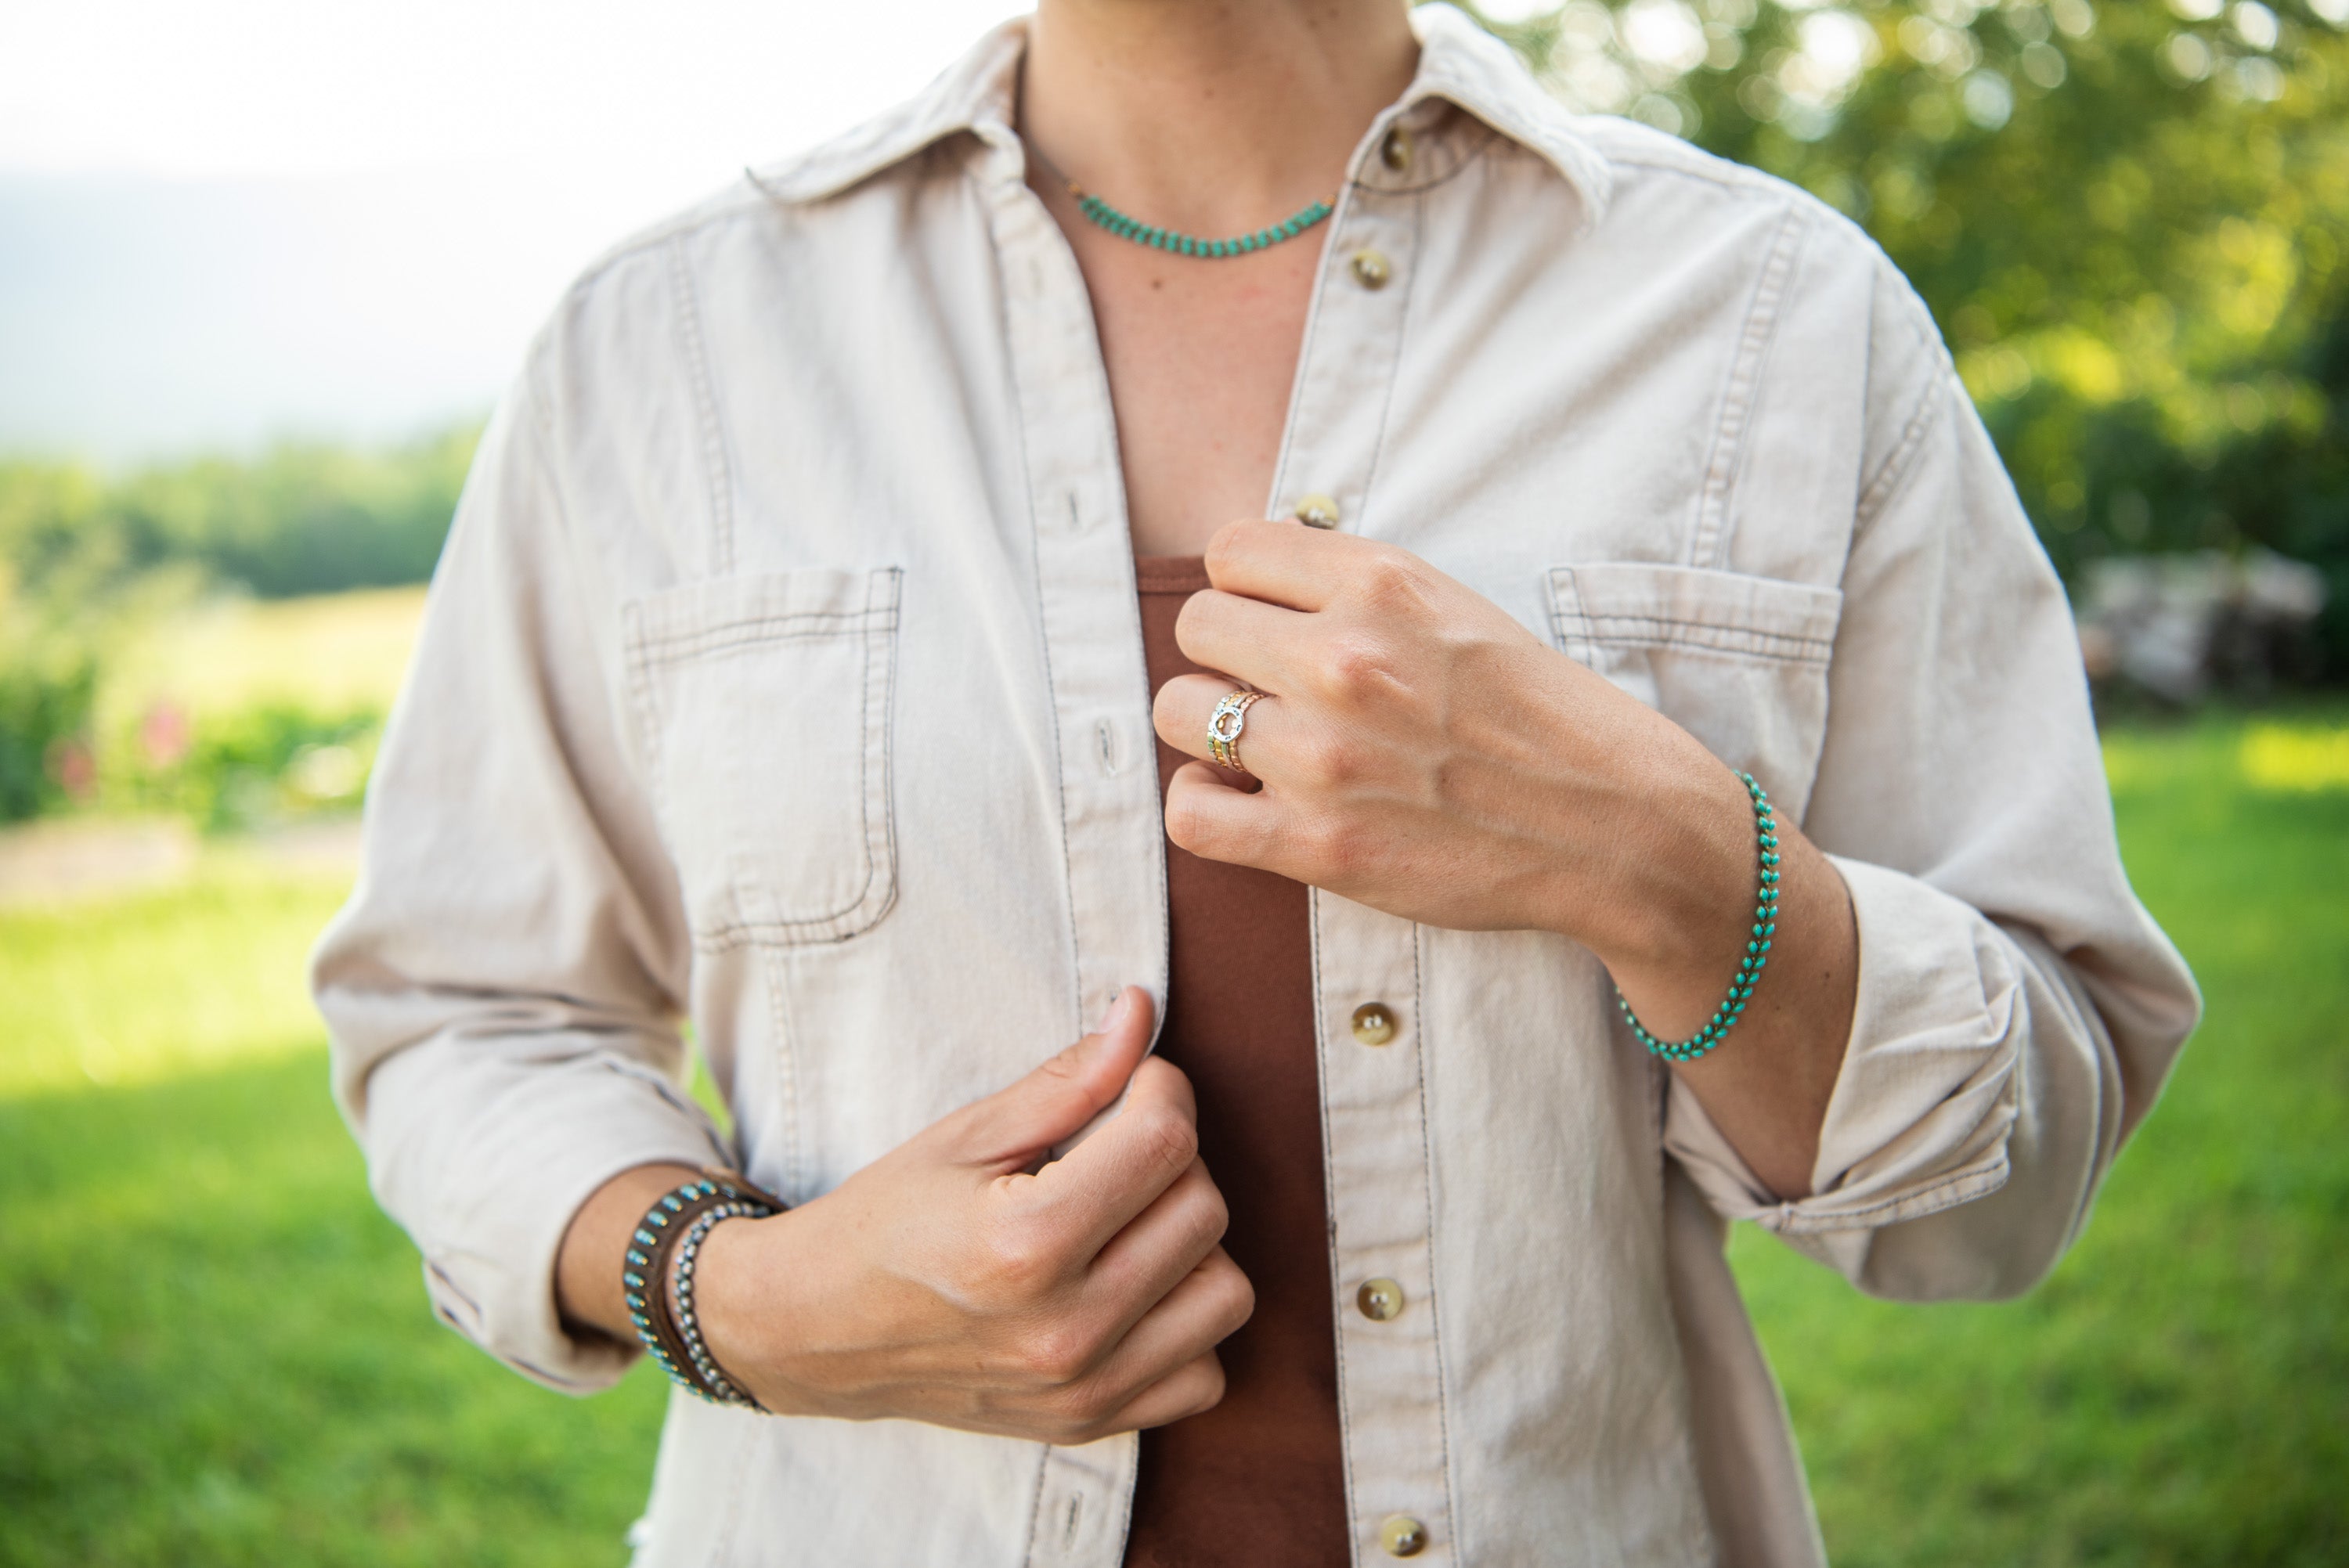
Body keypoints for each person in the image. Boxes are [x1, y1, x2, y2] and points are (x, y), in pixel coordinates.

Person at [311, 2, 2201, 1563]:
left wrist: (1672, 859)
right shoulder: (662, 353)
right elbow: (463, 1010)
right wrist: (742, 1301)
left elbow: (2008, 1176)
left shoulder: (1775, 321)